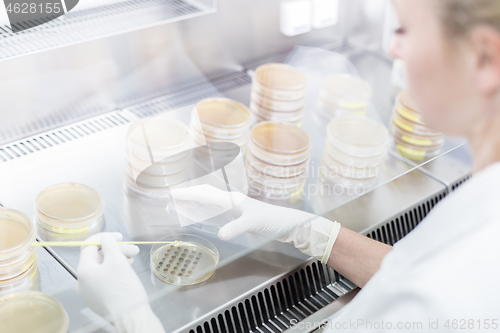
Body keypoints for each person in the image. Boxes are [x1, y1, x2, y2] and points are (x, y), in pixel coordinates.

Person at [77, 0, 500, 331]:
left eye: (406, 28)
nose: (393, 48)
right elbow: (410, 274)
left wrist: (133, 318)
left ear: (484, 58)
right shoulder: (485, 201)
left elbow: (428, 298)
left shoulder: (442, 304)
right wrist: (308, 230)